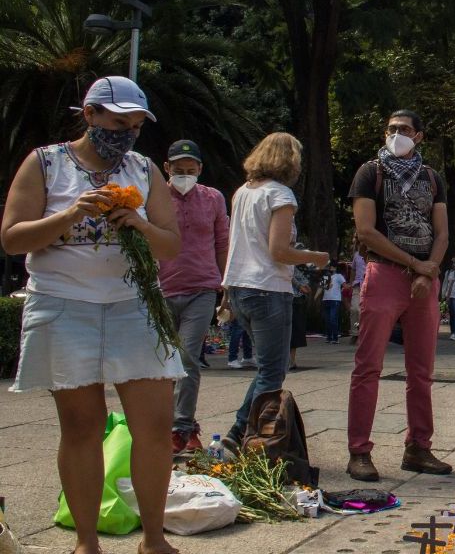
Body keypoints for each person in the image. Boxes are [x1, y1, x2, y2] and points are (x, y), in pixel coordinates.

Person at [1, 76, 184, 554]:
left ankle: (153, 539)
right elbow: (13, 237)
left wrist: (139, 224)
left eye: (137, 125)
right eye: (118, 122)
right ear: (90, 115)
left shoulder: (144, 169)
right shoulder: (46, 163)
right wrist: (69, 215)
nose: (126, 133)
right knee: (82, 427)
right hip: (64, 305)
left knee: (156, 426)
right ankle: (87, 543)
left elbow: (171, 245)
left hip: (134, 306)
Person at [346, 110, 450, 480]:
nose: (396, 134)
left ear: (418, 136)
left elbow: (442, 234)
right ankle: (359, 451)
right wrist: (414, 264)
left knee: (421, 372)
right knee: (367, 367)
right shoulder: (370, 173)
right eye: (391, 129)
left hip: (424, 281)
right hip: (385, 274)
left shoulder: (432, 178)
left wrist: (430, 269)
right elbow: (366, 231)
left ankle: (419, 447)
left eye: (404, 129)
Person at [221, 133, 329, 449]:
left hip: (240, 287)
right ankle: (242, 434)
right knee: (273, 371)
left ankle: (240, 431)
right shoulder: (280, 194)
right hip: (268, 288)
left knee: (268, 366)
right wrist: (314, 257)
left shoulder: (243, 192)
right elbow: (279, 251)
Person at [157, 139, 230, 455]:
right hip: (161, 290)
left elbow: (222, 243)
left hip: (201, 289)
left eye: (190, 169)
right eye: (178, 170)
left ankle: (182, 427)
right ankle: (164, 425)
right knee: (161, 365)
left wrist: (227, 284)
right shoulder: (155, 197)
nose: (184, 175)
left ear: (200, 169)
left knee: (187, 359)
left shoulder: (213, 198)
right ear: (167, 168)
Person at [289, 250, 314, 370]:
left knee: (295, 331)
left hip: (298, 299)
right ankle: (289, 360)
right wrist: (300, 286)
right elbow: (289, 276)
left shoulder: (300, 266)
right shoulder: (287, 262)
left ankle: (291, 360)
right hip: (290, 298)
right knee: (291, 330)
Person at [320, 265, 347, 343]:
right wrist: (316, 296)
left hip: (335, 299)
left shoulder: (339, 276)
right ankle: (329, 337)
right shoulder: (325, 277)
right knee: (327, 320)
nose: (331, 268)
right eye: (330, 267)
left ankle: (335, 338)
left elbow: (344, 285)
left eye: (332, 266)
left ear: (335, 268)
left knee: (333, 319)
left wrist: (342, 290)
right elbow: (322, 288)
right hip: (326, 299)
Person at [350, 241, 366, 341]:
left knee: (363, 311)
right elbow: (353, 269)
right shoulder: (356, 255)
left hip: (369, 284)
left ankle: (364, 333)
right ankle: (355, 333)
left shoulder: (373, 252)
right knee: (354, 309)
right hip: (357, 285)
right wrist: (350, 283)